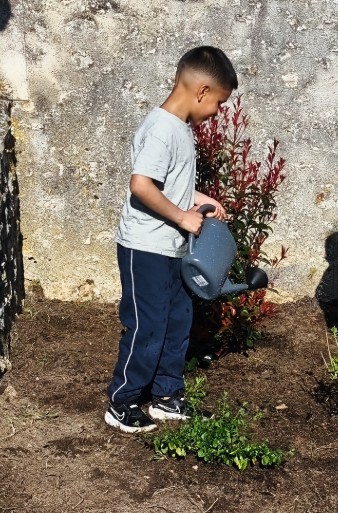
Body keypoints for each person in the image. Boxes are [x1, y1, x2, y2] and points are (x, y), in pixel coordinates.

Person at [105, 46, 237, 433]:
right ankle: (122, 401)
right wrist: (182, 216)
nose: (218, 111)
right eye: (219, 103)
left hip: (170, 247)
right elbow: (141, 185)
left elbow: (168, 185)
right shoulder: (162, 128)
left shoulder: (179, 128)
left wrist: (200, 199)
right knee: (147, 324)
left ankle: (166, 396)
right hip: (144, 247)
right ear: (202, 91)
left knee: (177, 320)